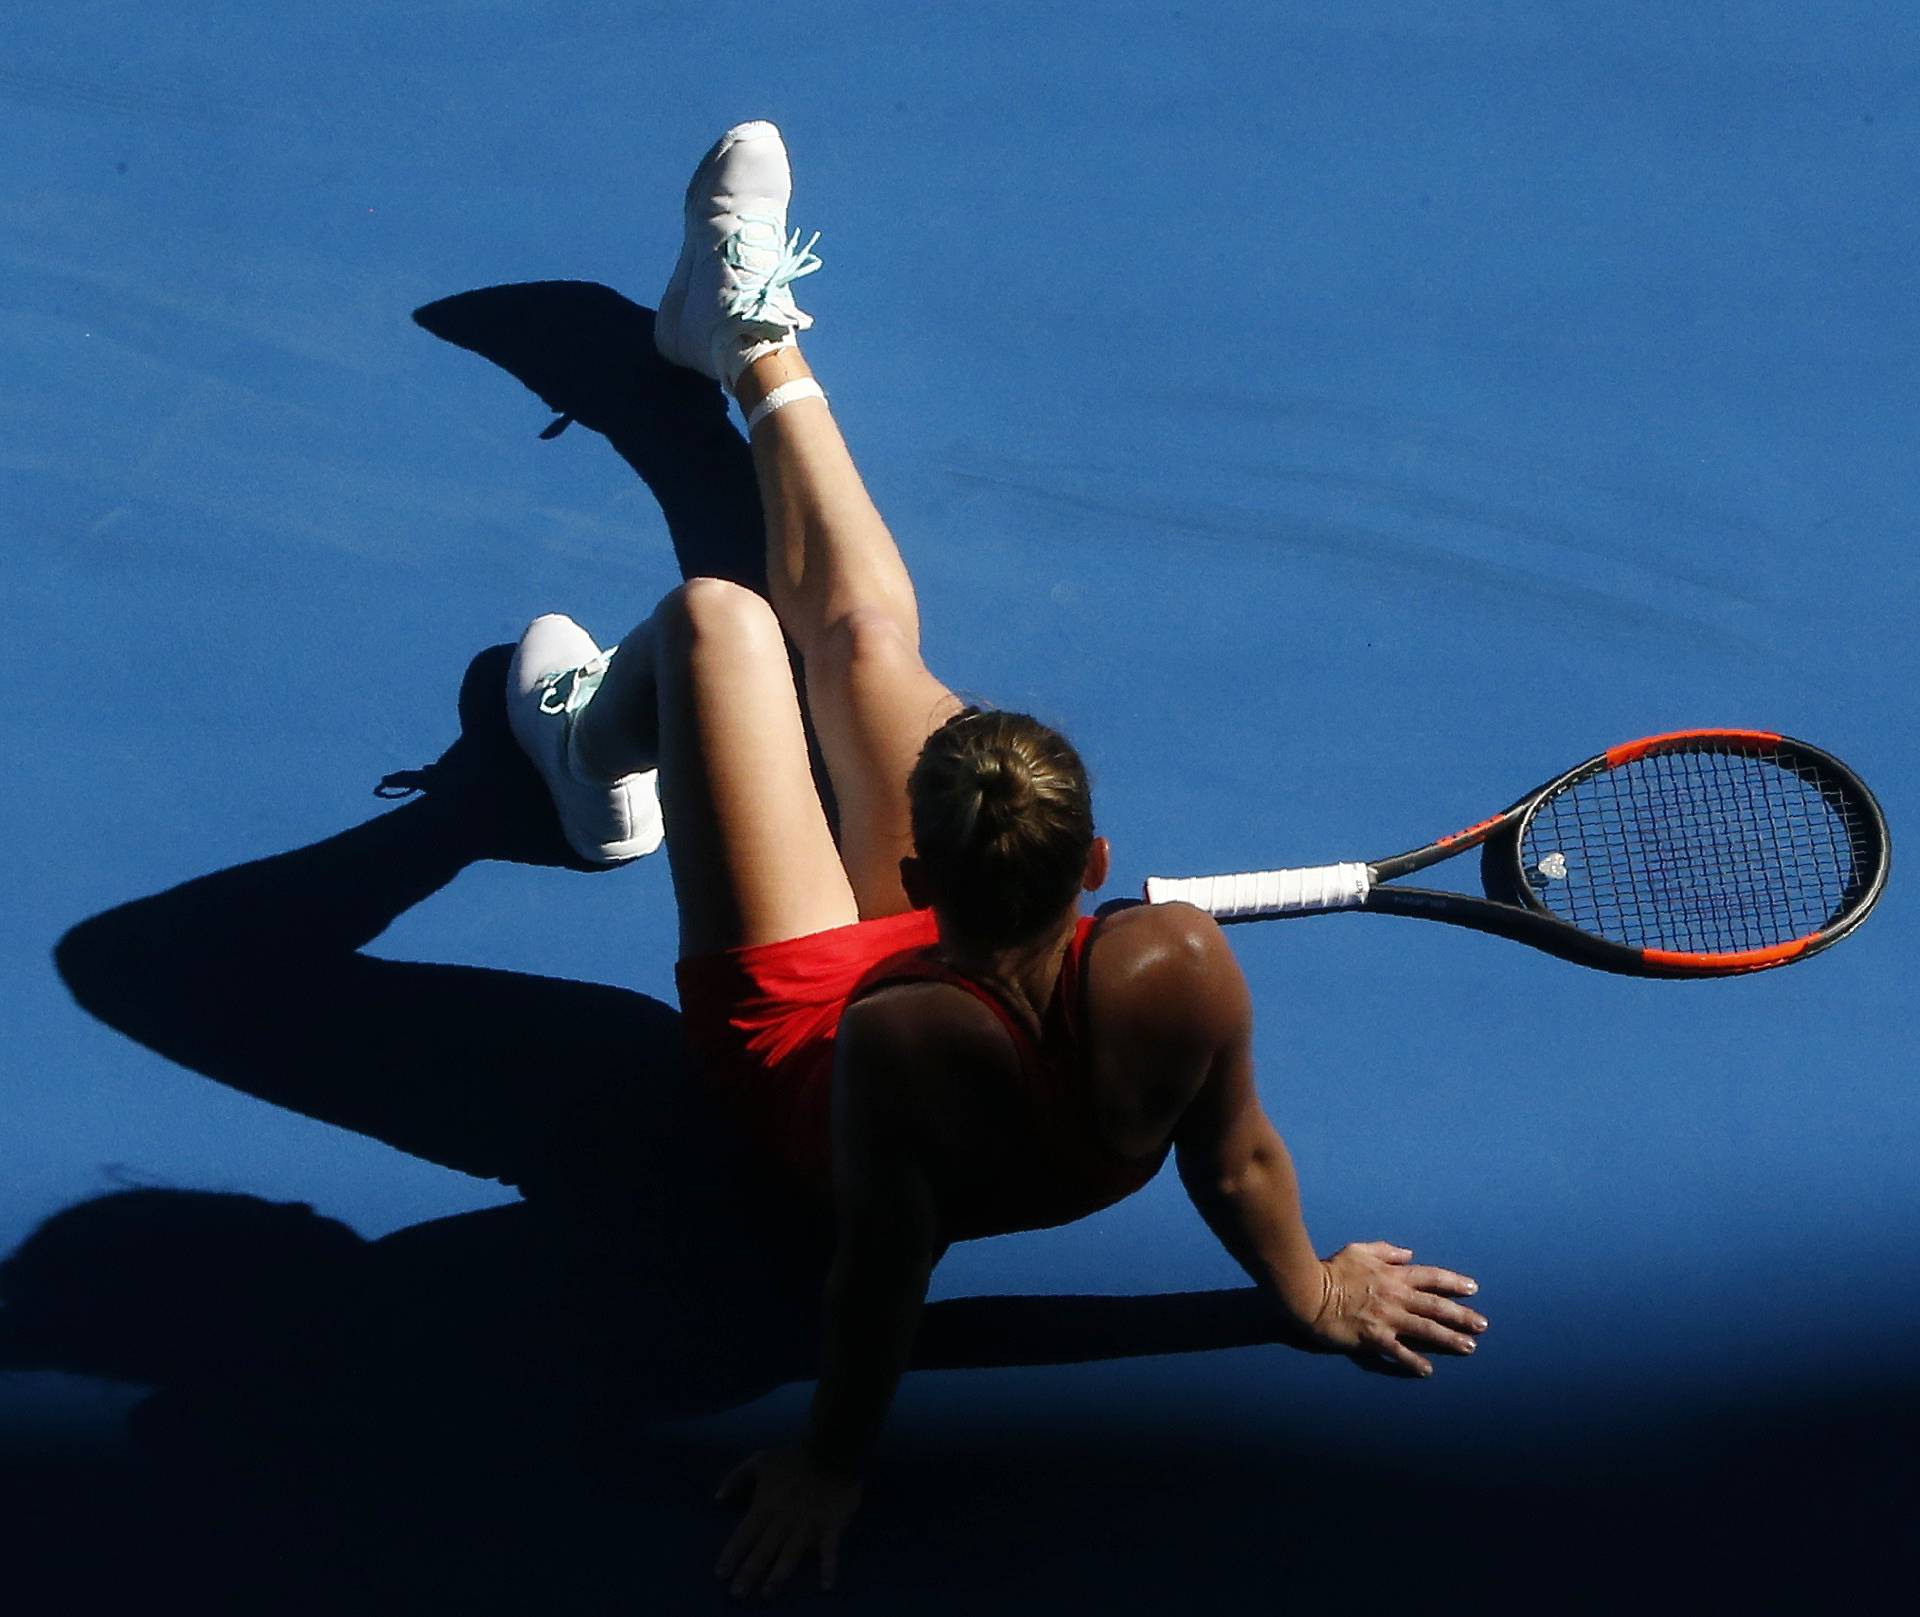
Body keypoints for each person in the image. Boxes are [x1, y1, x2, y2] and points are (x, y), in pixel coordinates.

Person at [505, 121, 1488, 1602]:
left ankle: (588, 765)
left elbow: (878, 1279)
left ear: (913, 873)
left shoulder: (898, 1044)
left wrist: (831, 1465)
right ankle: (744, 335)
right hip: (950, 1031)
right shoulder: (1180, 963)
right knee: (862, 646)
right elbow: (1241, 1161)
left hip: (799, 1067)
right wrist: (1311, 1294)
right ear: (1089, 857)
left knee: (722, 621)